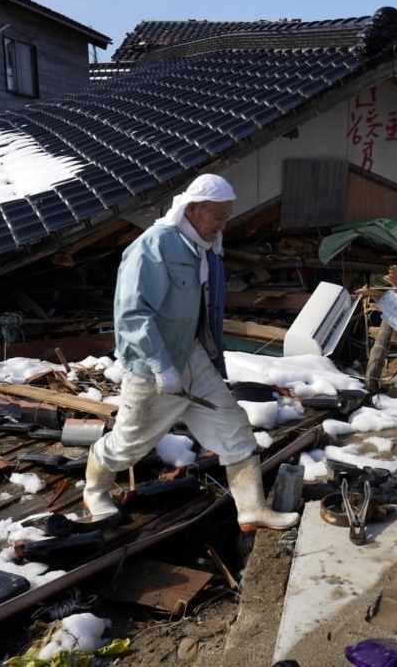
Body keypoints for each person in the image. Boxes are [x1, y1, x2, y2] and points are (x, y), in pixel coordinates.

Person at [83, 173, 300, 531]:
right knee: (129, 445)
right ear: (194, 208)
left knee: (234, 429)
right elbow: (132, 313)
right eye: (218, 215)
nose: (223, 223)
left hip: (194, 357)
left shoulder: (203, 243)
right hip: (154, 366)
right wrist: (161, 366)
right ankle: (95, 489)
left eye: (227, 215)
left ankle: (251, 510)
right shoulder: (154, 246)